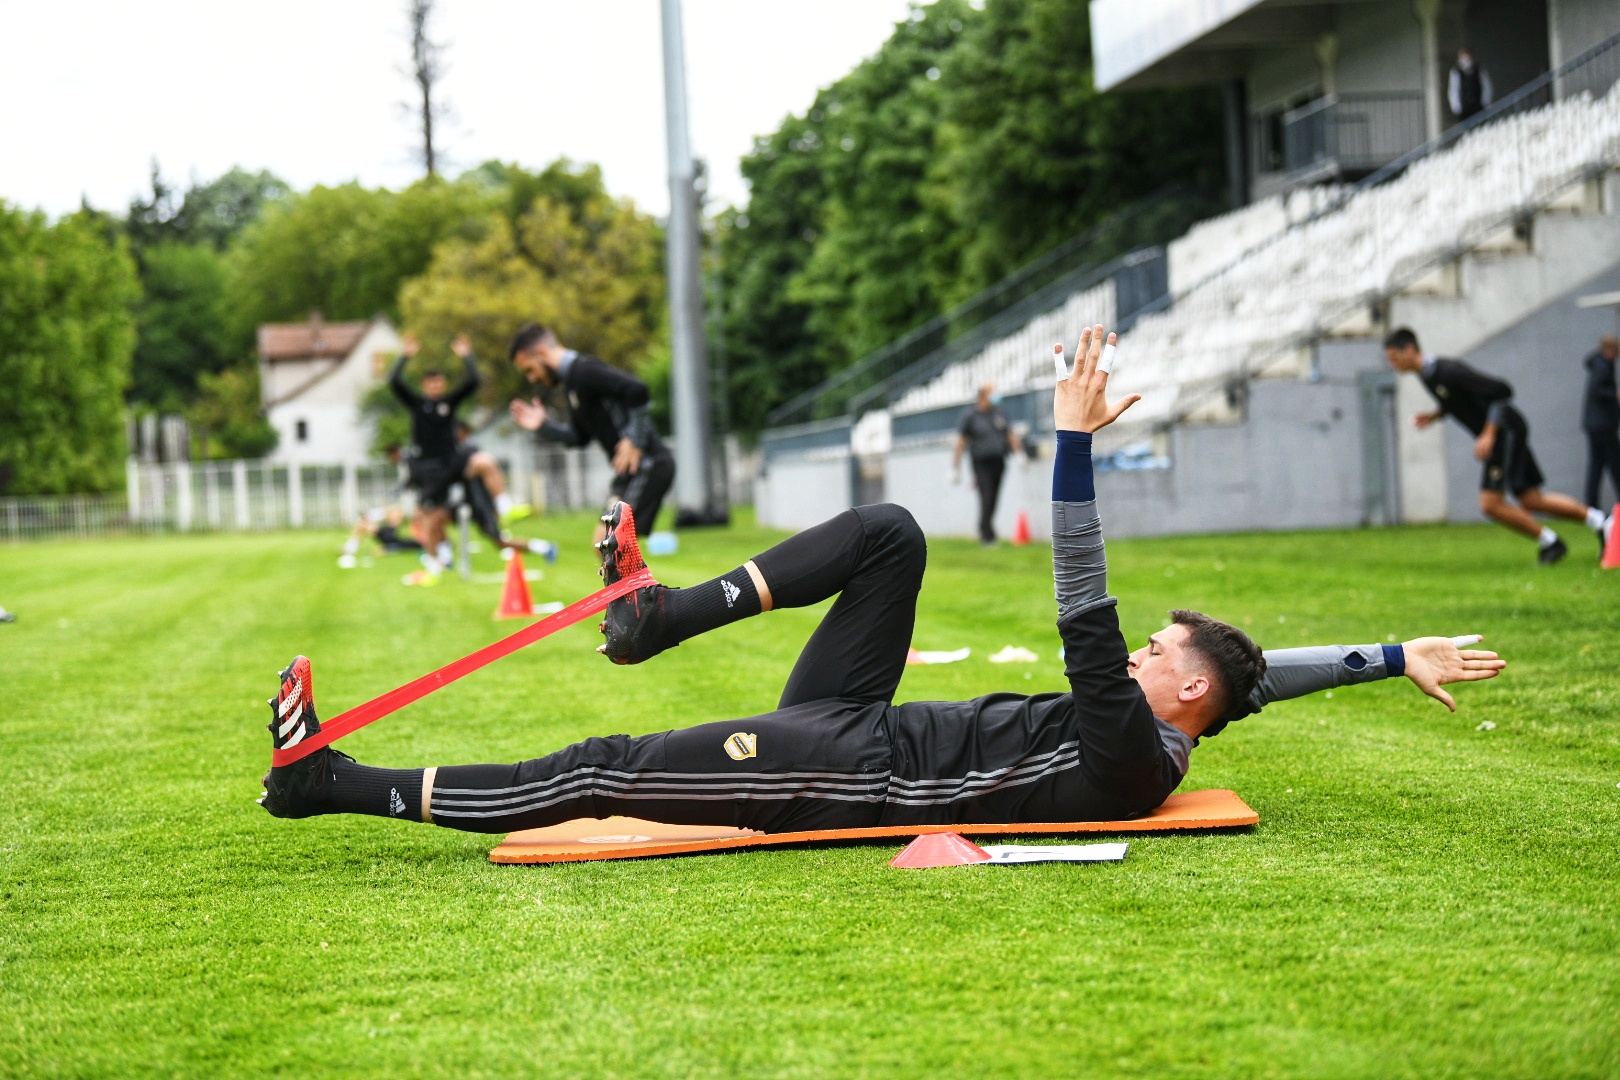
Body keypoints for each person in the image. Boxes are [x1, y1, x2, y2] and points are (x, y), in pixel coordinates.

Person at [258, 325, 1506, 835]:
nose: (1140, 654)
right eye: (1155, 648)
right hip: (860, 724)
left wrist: (1069, 440)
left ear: (1181, 697)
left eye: (1159, 655)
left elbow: (1084, 595)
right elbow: (1256, 683)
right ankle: (658, 615)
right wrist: (1393, 658)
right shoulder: (1182, 717)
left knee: (608, 768)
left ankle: (329, 784)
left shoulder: (1132, 747)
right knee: (895, 533)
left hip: (850, 775)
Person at [1384, 327, 1612, 564]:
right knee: (1530, 499)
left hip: (1505, 431)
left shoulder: (1449, 371)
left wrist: (1489, 433)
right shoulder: (1428, 375)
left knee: (1490, 504)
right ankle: (1602, 523)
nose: (1393, 363)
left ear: (1410, 349)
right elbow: (1457, 400)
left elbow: (1501, 391)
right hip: (1504, 432)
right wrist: (1434, 415)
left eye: (1394, 357)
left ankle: (1552, 542)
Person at [506, 324, 675, 543]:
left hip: (647, 465)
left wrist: (636, 440)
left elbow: (637, 390)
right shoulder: (572, 385)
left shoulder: (585, 370)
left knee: (611, 545)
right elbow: (579, 437)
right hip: (629, 472)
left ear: (542, 352)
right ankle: (641, 580)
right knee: (606, 547)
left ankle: (642, 580)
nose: (531, 378)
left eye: (529, 369)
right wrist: (543, 426)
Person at [389, 333, 532, 570]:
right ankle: (435, 562)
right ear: (425, 385)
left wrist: (467, 357)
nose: (435, 387)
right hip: (429, 469)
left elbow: (474, 382)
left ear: (443, 384)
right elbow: (394, 382)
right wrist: (404, 356)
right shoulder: (416, 404)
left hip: (453, 461)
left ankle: (506, 506)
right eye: (431, 383)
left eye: (439, 383)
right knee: (432, 517)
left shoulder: (450, 402)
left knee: (485, 461)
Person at [953, 383, 1025, 545]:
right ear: (983, 396)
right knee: (986, 495)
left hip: (998, 461)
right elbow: (961, 442)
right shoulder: (970, 416)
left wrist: (1019, 454)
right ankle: (987, 533)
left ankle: (986, 528)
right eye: (993, 392)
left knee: (994, 498)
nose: (996, 395)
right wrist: (955, 467)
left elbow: (1010, 435)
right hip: (980, 463)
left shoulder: (1000, 413)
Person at [1581, 335, 1620, 511]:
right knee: (1614, 462)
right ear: (1610, 350)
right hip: (1603, 425)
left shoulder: (1597, 363)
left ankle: (1591, 504)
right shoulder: (1604, 366)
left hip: (1594, 424)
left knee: (1597, 463)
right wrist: (1615, 394)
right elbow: (1598, 389)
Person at [1448, 47, 1494, 123]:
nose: (1466, 60)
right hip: (1464, 108)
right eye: (1464, 57)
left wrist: (1486, 103)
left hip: (1478, 106)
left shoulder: (1479, 69)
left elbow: (1487, 87)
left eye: (1468, 57)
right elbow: (1453, 90)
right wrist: (1456, 107)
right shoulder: (1455, 71)